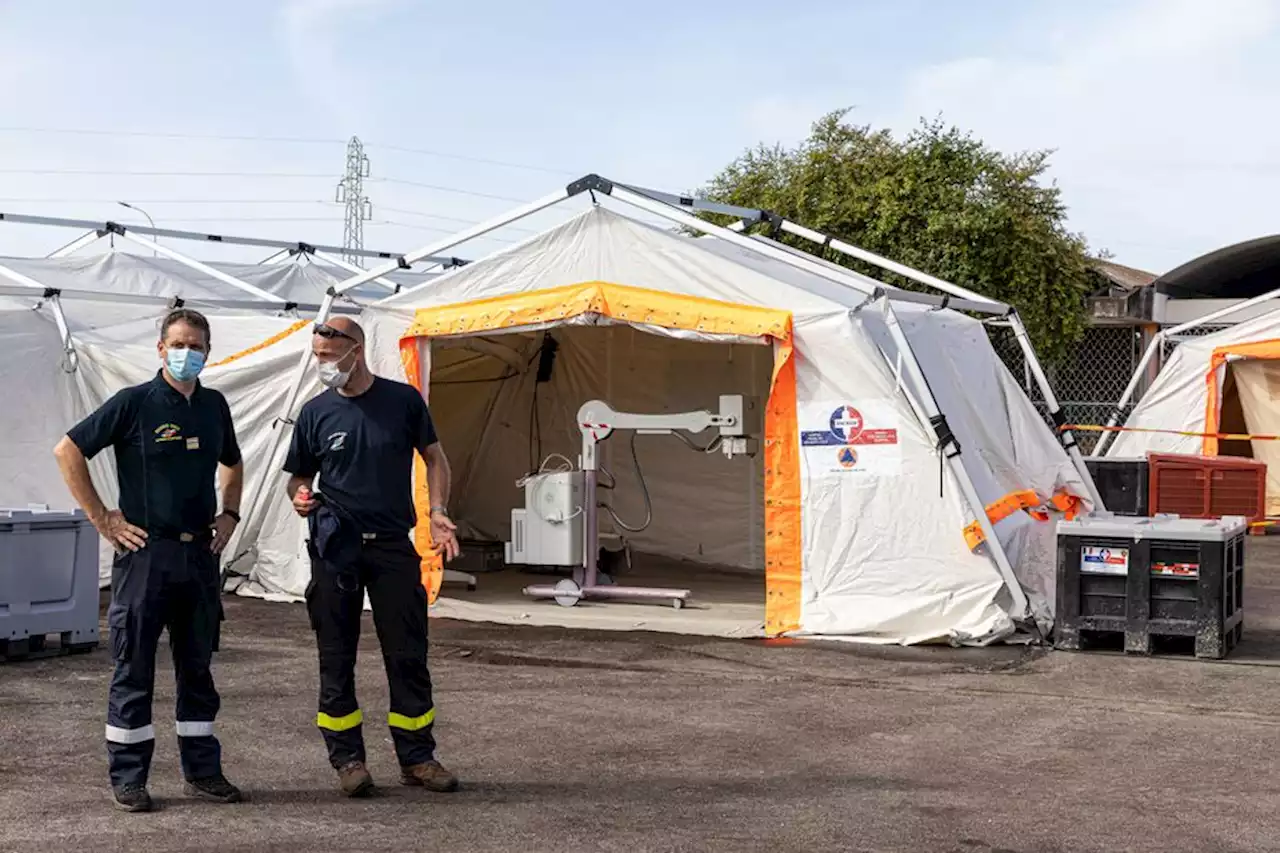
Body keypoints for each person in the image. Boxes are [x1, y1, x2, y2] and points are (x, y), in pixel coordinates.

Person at [52, 308, 245, 813]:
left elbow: (233, 461)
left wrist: (230, 513)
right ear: (161, 349)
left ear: (207, 351)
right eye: (179, 343)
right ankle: (130, 776)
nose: (188, 353)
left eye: (197, 345)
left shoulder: (213, 405)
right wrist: (103, 520)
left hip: (199, 554)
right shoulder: (134, 403)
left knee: (197, 668)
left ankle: (203, 772)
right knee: (134, 666)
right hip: (146, 555)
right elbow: (67, 451)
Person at [283, 316, 461, 797]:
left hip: (391, 547)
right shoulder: (315, 412)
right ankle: (348, 761)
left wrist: (438, 510)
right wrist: (300, 496)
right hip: (336, 548)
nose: (321, 364)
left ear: (354, 351)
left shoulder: (402, 402)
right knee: (335, 655)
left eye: (326, 356)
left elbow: (435, 457)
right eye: (317, 355)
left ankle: (417, 759)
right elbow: (296, 478)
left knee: (407, 654)